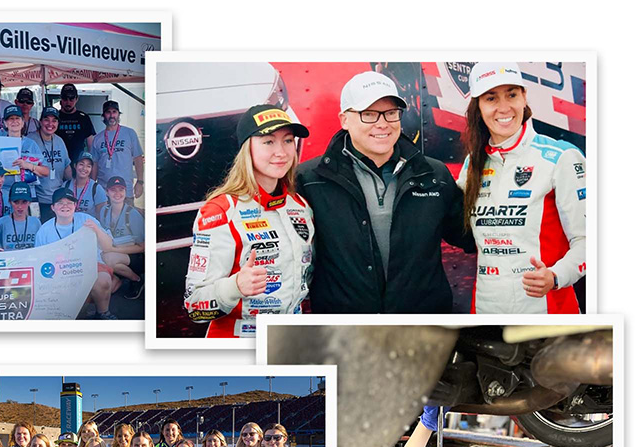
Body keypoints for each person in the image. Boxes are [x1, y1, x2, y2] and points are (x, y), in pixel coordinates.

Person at [295, 71, 473, 314]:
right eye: (368, 114)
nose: (382, 123)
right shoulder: (310, 178)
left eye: (390, 113)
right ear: (344, 119)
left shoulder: (433, 173)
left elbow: (471, 235)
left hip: (421, 326)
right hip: (345, 330)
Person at [458, 62, 587, 314]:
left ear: (524, 97)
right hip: (485, 311)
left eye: (512, 95)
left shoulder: (561, 157)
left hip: (548, 310)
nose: (504, 107)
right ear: (478, 106)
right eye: (491, 98)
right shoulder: (472, 163)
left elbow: (588, 241)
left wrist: (555, 276)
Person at [183, 103, 315, 338]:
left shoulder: (300, 207)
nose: (282, 152)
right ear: (247, 149)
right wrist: (235, 286)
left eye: (287, 140)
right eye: (268, 141)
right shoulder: (221, 211)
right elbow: (194, 306)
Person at [36, 188, 137, 320]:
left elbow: (107, 245)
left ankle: (103, 312)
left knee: (103, 281)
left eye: (69, 202)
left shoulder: (86, 219)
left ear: (75, 206)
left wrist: (96, 230)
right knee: (71, 309)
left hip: (88, 265)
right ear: (53, 207)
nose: (65, 206)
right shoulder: (44, 230)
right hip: (60, 271)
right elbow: (39, 259)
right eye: (60, 203)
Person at [95, 176, 145, 297]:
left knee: (108, 258)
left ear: (126, 192)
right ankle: (118, 276)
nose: (117, 193)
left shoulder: (132, 214)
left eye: (121, 190)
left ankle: (137, 280)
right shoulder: (104, 211)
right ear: (107, 192)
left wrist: (114, 249)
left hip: (135, 256)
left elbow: (143, 247)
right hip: (114, 251)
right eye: (113, 190)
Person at [87, 100, 144, 196]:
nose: (111, 115)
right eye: (108, 112)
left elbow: (138, 158)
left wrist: (140, 182)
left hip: (125, 190)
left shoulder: (129, 133)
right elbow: (95, 164)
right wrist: (92, 185)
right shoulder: (97, 138)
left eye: (114, 112)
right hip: (103, 191)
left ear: (118, 114)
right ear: (103, 116)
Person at [28, 107, 70, 222]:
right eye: (46, 119)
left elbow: (67, 168)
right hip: (36, 200)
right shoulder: (30, 141)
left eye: (54, 120)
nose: (50, 124)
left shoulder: (59, 141)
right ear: (40, 121)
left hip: (58, 200)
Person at [0, 104, 49, 199]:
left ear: (22, 122)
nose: (14, 121)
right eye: (10, 119)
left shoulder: (31, 144)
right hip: (5, 193)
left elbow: (46, 171)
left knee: (32, 214)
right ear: (5, 123)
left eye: (17, 118)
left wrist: (29, 166)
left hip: (28, 193)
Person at [0, 183, 43, 251]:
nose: (20, 207)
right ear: (10, 202)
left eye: (24, 202)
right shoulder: (1, 223)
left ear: (29, 202)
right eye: (16, 202)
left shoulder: (36, 222)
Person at [55, 83, 95, 162]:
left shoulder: (84, 118)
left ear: (77, 98)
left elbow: (91, 144)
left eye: (71, 98)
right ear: (61, 99)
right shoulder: (55, 117)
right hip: (59, 160)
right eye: (65, 98)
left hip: (79, 163)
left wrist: (90, 163)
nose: (68, 102)